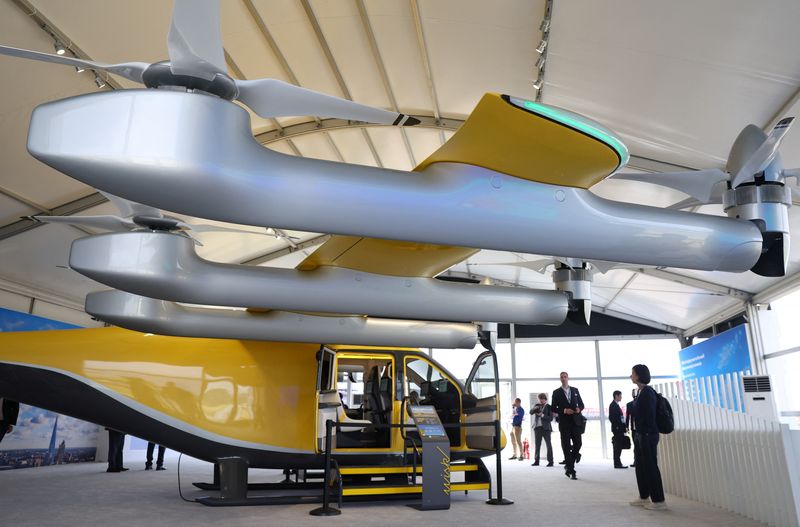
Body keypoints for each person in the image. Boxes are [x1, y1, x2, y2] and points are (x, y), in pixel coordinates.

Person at [629, 364, 667, 511]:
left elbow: (650, 417)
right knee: (640, 466)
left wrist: (643, 432)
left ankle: (659, 500)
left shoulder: (648, 392)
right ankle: (644, 496)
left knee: (650, 467)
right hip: (640, 434)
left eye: (632, 373)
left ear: (638, 375)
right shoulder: (640, 392)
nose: (631, 376)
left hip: (647, 435)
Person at [551, 372, 584, 480]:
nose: (563, 378)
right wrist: (564, 410)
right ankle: (571, 470)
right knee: (566, 446)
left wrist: (580, 409)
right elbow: (553, 408)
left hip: (576, 422)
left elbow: (582, 404)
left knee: (578, 443)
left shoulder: (575, 390)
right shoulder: (556, 392)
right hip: (564, 423)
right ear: (560, 379)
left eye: (565, 377)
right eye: (561, 377)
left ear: (568, 378)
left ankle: (569, 464)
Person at [529, 393, 553, 466]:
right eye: (539, 399)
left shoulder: (549, 407)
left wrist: (542, 415)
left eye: (542, 399)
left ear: (545, 399)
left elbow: (551, 418)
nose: (541, 400)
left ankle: (550, 461)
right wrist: (534, 409)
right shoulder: (537, 405)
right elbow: (530, 412)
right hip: (537, 428)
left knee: (548, 445)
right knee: (537, 445)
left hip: (546, 428)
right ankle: (536, 461)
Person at [608, 390, 628, 469]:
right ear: (616, 396)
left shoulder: (616, 405)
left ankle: (618, 463)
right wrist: (618, 427)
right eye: (620, 395)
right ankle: (617, 463)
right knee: (617, 446)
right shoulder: (613, 405)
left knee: (618, 446)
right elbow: (612, 418)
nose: (621, 397)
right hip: (617, 429)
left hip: (619, 428)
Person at [626, 388, 637, 468]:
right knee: (636, 445)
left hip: (643, 428)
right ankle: (636, 460)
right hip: (634, 428)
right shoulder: (629, 404)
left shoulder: (643, 403)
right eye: (633, 392)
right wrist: (627, 427)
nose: (634, 394)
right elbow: (627, 417)